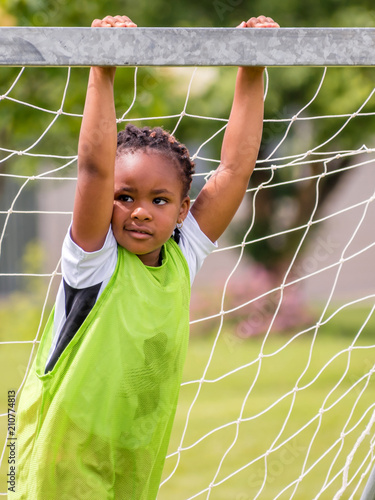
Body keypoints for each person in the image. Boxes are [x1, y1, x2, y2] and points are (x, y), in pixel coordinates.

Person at [11, 14, 279, 500]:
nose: (138, 212)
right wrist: (103, 71)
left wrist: (252, 70)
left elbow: (236, 169)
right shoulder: (93, 261)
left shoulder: (183, 255)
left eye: (158, 201)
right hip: (55, 458)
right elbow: (94, 168)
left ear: (182, 211)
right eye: (124, 196)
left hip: (133, 453)